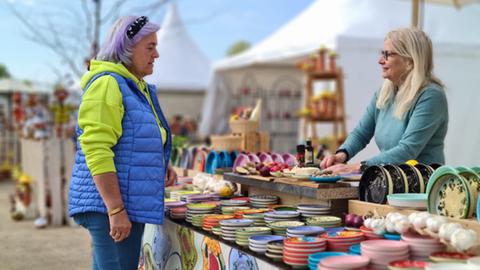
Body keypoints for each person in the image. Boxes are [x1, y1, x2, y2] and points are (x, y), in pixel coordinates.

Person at [68, 16, 176, 270]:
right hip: (110, 205)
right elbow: (96, 147)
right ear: (127, 48)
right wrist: (116, 209)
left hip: (122, 203)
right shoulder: (108, 83)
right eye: (150, 47)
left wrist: (158, 165)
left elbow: (132, 140)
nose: (157, 54)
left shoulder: (133, 86)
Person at [320, 27, 448, 174]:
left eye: (388, 55)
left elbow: (407, 150)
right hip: (392, 180)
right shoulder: (384, 92)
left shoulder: (431, 96)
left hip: (423, 187)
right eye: (382, 54)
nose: (380, 61)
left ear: (410, 59)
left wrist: (357, 167)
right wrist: (342, 155)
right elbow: (361, 133)